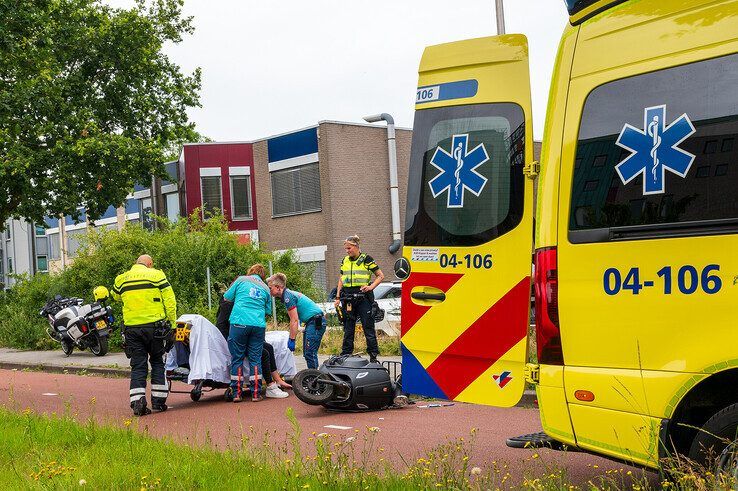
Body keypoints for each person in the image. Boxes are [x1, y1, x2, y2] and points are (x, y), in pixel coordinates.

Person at [111, 254, 177, 416]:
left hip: (132, 329)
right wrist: (173, 324)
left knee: (138, 365)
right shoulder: (157, 275)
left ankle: (138, 402)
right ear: (150, 264)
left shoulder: (122, 279)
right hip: (156, 328)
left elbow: (115, 296)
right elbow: (170, 301)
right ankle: (159, 402)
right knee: (157, 362)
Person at [223, 264, 272, 402]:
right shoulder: (265, 288)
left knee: (237, 358)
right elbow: (268, 311)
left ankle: (236, 393)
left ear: (250, 272)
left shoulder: (241, 280)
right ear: (262, 276)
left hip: (239, 322)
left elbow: (227, 297)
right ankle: (256, 394)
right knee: (255, 359)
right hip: (258, 325)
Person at [334, 235, 384, 362]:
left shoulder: (366, 259)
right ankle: (346, 353)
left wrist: (371, 287)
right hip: (348, 298)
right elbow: (341, 279)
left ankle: (373, 356)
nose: (347, 251)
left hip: (363, 297)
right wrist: (338, 297)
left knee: (368, 327)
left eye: (349, 248)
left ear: (356, 247)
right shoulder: (344, 260)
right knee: (348, 327)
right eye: (346, 249)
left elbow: (380, 276)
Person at [267, 273, 326, 370]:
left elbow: (293, 320)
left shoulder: (288, 297)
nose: (269, 291)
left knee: (310, 353)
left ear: (278, 287)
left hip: (315, 321)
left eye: (270, 288)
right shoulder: (288, 295)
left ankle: (315, 378)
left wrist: (292, 339)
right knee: (308, 354)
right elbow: (296, 318)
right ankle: (314, 376)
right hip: (312, 322)